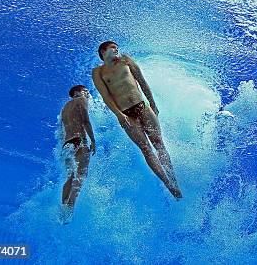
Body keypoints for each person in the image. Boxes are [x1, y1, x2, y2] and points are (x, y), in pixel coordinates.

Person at [91, 41, 182, 199]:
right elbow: (106, 96)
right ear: (103, 52)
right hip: (126, 113)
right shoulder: (98, 72)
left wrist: (153, 104)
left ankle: (173, 179)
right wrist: (119, 115)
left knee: (158, 143)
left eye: (117, 48)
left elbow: (142, 81)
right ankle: (169, 185)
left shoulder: (126, 60)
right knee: (146, 149)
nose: (117, 50)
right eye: (113, 48)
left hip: (142, 106)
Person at [59, 85, 95, 222]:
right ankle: (70, 208)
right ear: (77, 92)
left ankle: (63, 208)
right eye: (85, 91)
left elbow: (62, 132)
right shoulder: (81, 100)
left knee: (70, 177)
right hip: (79, 141)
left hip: (66, 145)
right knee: (81, 175)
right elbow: (85, 120)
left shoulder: (64, 108)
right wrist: (93, 141)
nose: (87, 93)